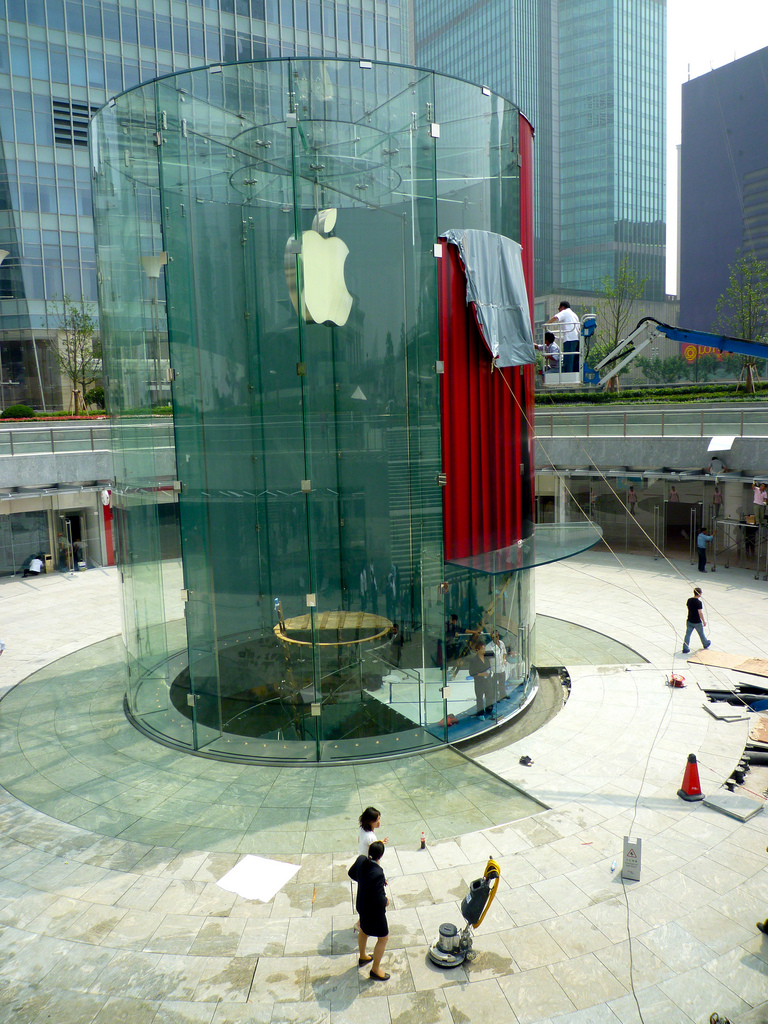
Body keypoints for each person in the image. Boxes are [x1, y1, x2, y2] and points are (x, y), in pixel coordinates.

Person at [348, 841, 390, 980]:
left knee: (364, 930)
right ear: (381, 855)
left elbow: (351, 873)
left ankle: (363, 956)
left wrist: (364, 882)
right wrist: (386, 901)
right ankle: (375, 970)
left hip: (362, 905)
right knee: (383, 938)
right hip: (374, 911)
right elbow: (379, 899)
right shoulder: (378, 872)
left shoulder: (361, 860)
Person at [546, 300, 580, 372]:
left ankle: (567, 374)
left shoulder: (565, 312)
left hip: (569, 339)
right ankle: (573, 374)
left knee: (568, 359)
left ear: (562, 307)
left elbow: (555, 317)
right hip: (576, 339)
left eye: (559, 309)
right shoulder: (574, 315)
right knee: (573, 359)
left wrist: (546, 325)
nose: (559, 311)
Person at [466, 638, 493, 719]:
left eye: (484, 648)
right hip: (479, 682)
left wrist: (489, 673)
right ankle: (480, 713)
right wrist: (482, 674)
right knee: (480, 698)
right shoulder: (474, 660)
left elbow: (489, 667)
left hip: (487, 680)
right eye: (482, 649)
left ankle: (489, 709)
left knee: (489, 695)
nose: (484, 650)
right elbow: (472, 673)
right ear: (478, 650)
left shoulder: (486, 658)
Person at [682, 586, 711, 654]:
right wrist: (703, 621)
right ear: (700, 593)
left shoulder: (689, 600)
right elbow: (700, 612)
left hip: (689, 620)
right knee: (701, 634)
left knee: (687, 634)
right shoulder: (699, 603)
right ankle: (705, 643)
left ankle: (685, 648)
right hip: (697, 621)